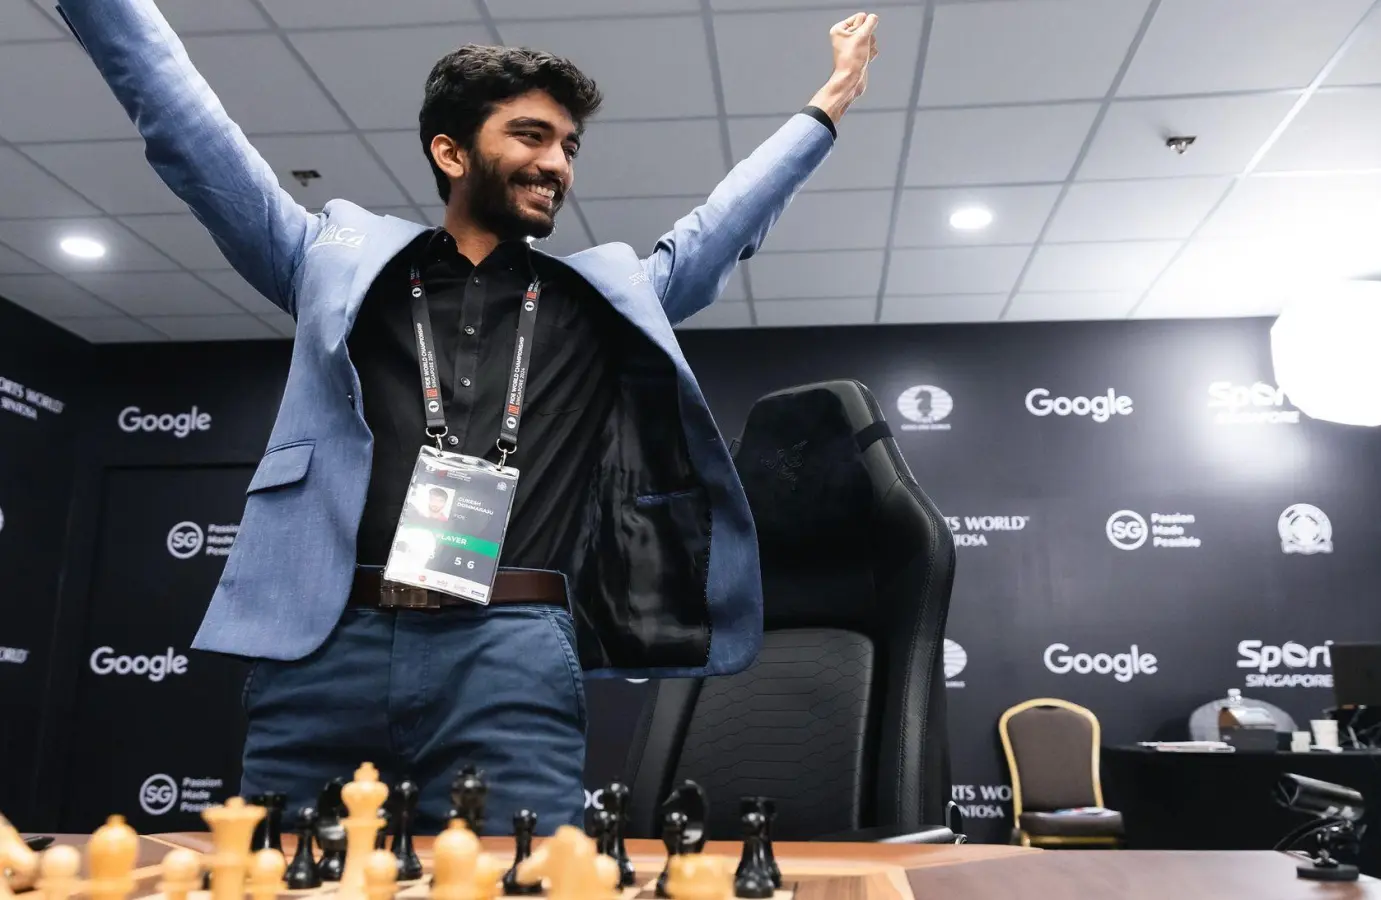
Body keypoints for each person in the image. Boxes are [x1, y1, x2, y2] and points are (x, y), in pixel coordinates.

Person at [56, 0, 879, 833]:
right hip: (323, 649)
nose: (556, 162)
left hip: (511, 651)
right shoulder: (329, 262)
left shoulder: (601, 298)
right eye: (530, 135)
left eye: (568, 146)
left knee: (515, 882)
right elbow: (190, 134)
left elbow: (722, 228)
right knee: (288, 879)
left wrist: (830, 102)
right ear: (450, 151)